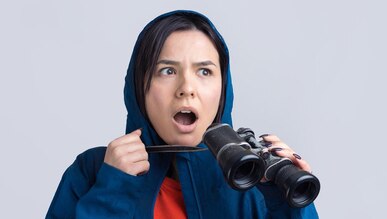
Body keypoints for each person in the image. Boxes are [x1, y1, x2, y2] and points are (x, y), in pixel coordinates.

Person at [46, 10, 319, 218]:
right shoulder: (93, 171)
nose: (186, 88)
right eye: (167, 70)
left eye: (204, 71)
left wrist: (291, 205)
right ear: (138, 87)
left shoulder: (254, 179)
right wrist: (113, 191)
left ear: (223, 88)